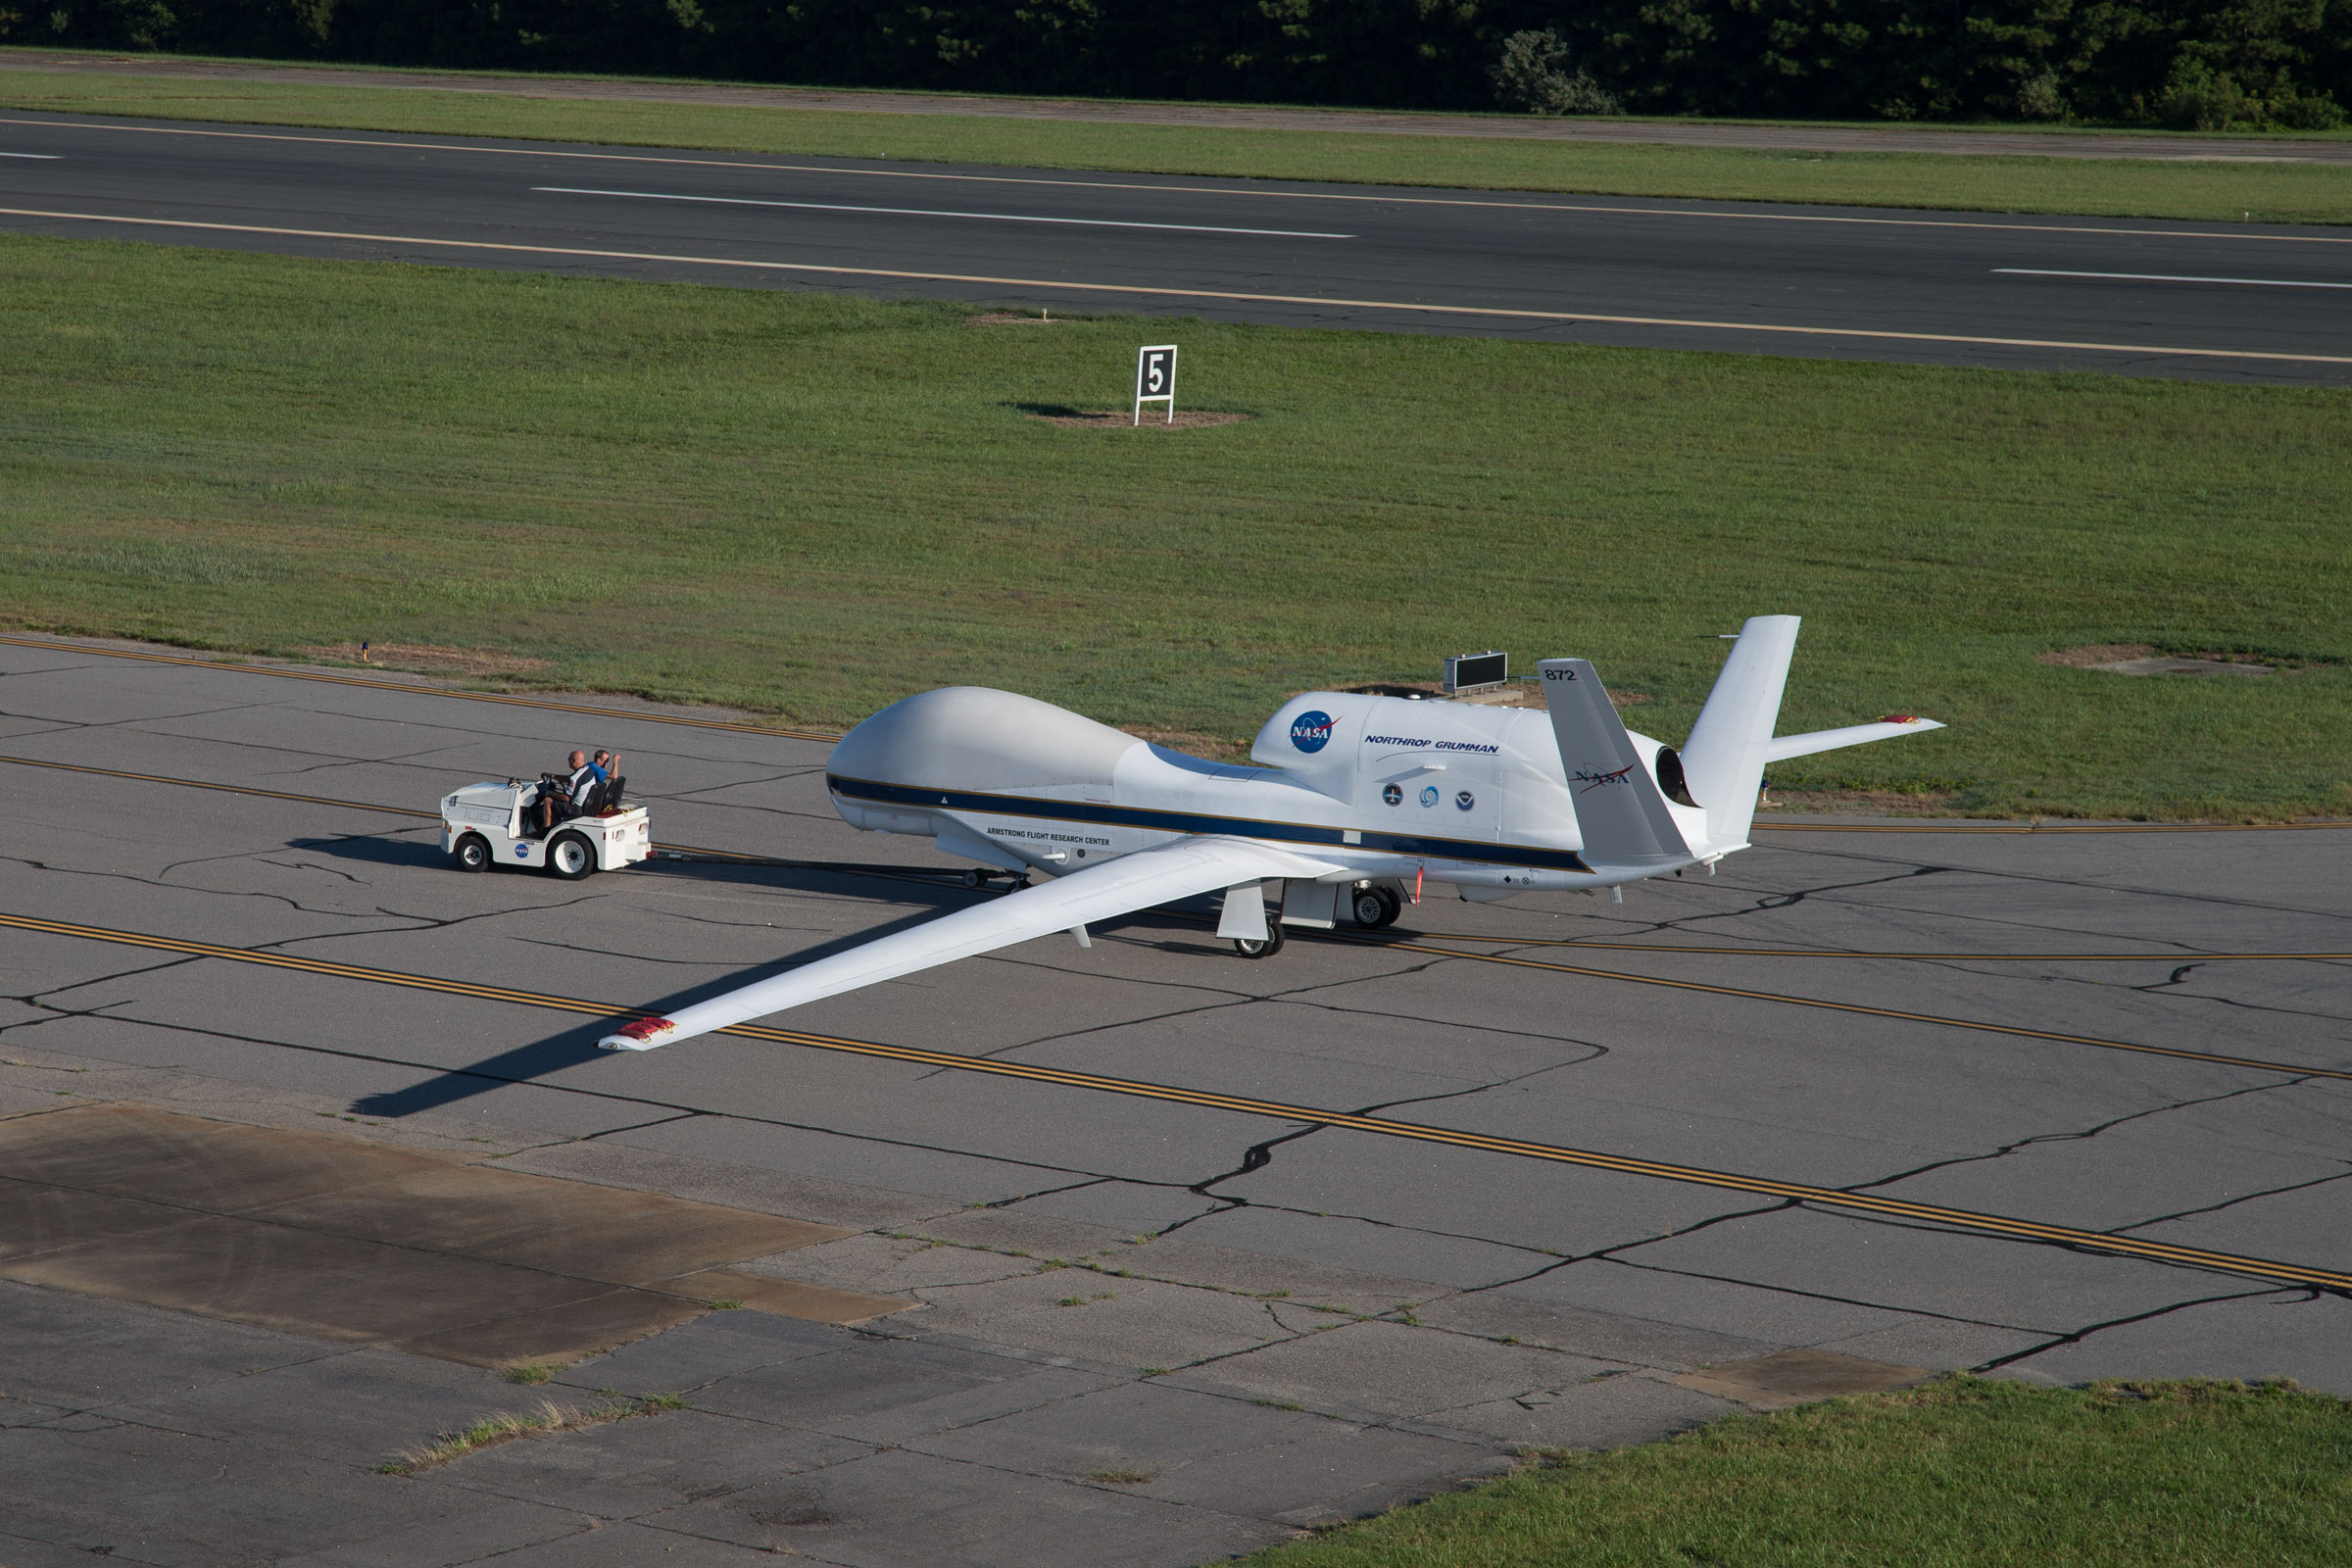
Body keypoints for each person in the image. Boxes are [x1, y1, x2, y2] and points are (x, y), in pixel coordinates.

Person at [530, 750, 599, 834]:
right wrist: (553, 776)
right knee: (554, 799)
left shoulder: (575, 779)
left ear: (575, 761)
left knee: (547, 800)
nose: (568, 761)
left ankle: (545, 829)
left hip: (575, 809)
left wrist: (549, 793)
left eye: (570, 759)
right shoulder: (587, 770)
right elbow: (568, 778)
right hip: (584, 805)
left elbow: (566, 798)